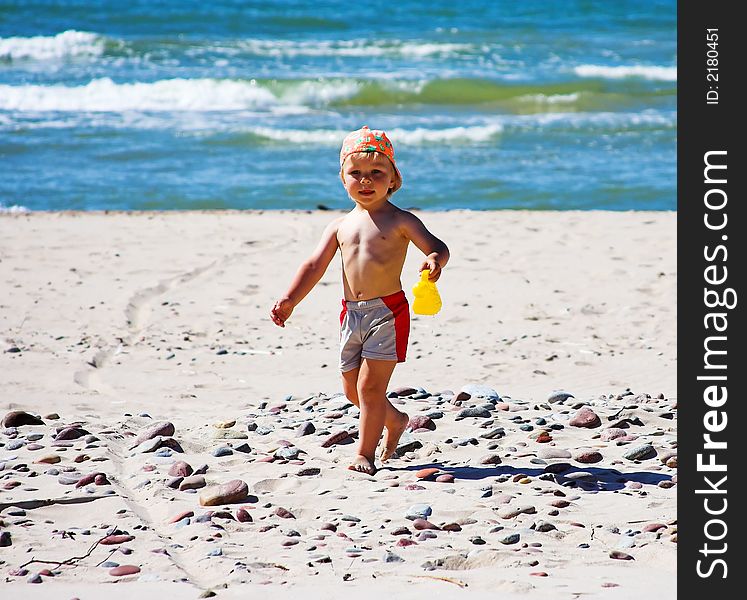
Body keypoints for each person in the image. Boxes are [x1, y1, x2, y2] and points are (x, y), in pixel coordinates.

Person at [270, 125, 450, 475]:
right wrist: (290, 299)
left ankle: (363, 454)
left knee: (370, 388)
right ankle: (395, 420)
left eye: (376, 173)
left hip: (388, 311)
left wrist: (433, 261)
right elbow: (314, 265)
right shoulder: (339, 225)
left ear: (393, 179)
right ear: (342, 179)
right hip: (351, 314)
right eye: (356, 174)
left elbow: (437, 246)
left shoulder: (401, 220)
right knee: (354, 391)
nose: (365, 181)